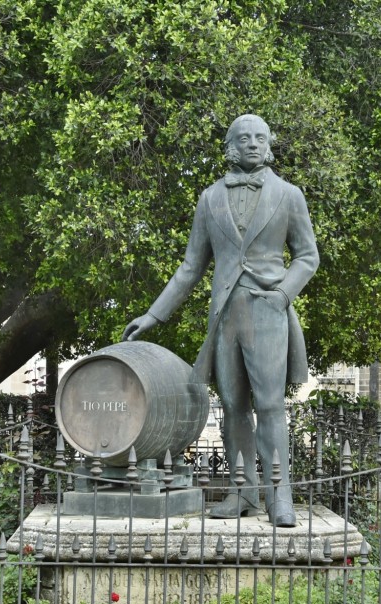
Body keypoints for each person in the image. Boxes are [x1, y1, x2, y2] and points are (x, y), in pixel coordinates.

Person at [123, 114, 318, 527]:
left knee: (269, 405)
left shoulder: (288, 195)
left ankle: (279, 495)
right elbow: (191, 267)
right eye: (243, 137)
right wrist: (154, 315)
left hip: (268, 310)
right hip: (225, 313)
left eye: (260, 137)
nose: (252, 143)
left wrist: (283, 295)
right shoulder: (210, 198)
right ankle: (242, 492)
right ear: (230, 145)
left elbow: (307, 256)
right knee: (232, 407)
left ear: (269, 144)